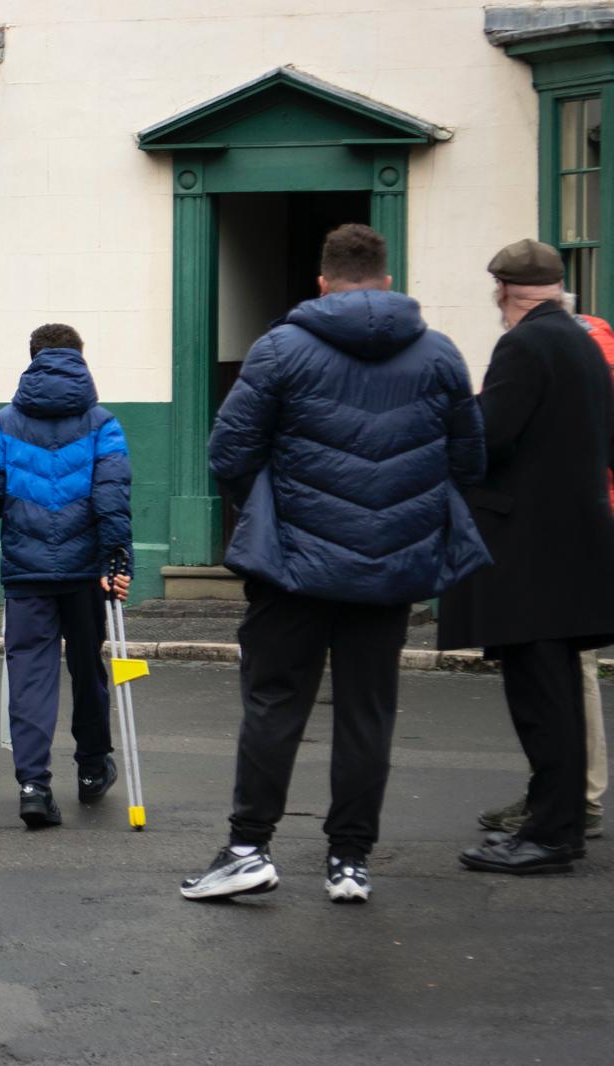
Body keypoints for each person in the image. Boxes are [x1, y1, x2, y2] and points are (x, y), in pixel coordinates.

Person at [182, 224, 490, 903]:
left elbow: (229, 453)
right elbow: (468, 461)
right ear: (386, 279)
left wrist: (271, 511)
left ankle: (249, 849)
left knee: (273, 705)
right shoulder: (439, 354)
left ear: (322, 283)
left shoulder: (281, 349)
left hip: (293, 562)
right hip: (390, 569)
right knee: (367, 713)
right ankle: (349, 861)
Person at [441, 239, 614, 876]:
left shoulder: (523, 344)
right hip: (575, 544)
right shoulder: (581, 342)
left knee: (541, 700)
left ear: (504, 291)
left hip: (532, 554)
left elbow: (490, 437)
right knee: (561, 694)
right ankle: (556, 821)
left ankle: (548, 835)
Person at [0, 323, 132, 829]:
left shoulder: (4, 424)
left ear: (32, 358)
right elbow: (112, 498)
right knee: (88, 668)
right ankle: (90, 769)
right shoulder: (104, 425)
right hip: (85, 572)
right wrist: (117, 560)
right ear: (80, 359)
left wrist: (15, 506)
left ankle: (34, 784)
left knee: (31, 674)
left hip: (27, 570)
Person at [475, 291, 612, 842]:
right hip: (585, 520)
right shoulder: (588, 342)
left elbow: (500, 433)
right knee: (568, 669)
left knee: (559, 674)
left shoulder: (546, 347)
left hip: (561, 530)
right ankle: (565, 799)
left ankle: (572, 801)